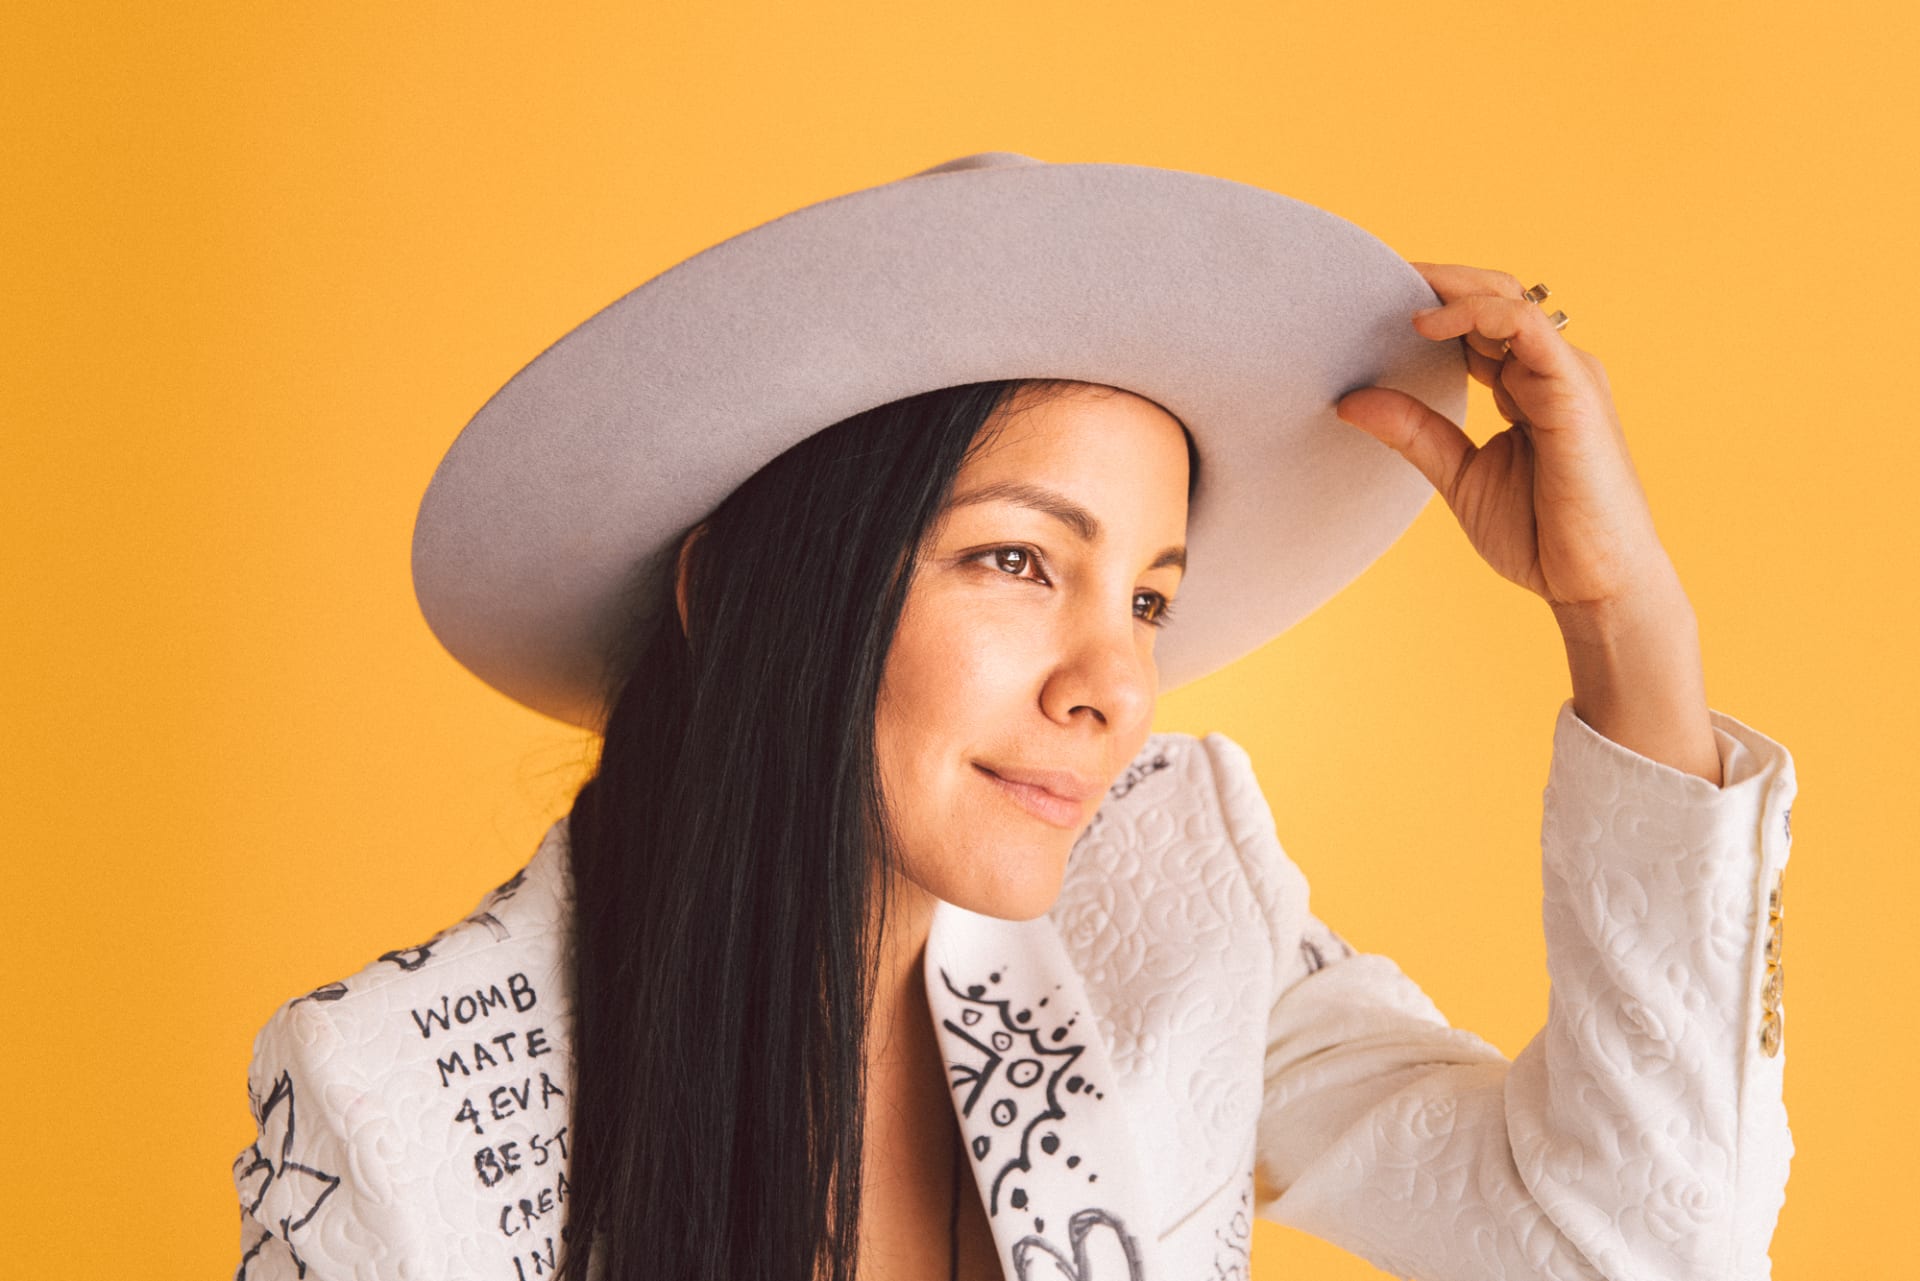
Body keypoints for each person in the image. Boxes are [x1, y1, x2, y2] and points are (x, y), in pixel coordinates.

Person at [230, 153, 1798, 1281]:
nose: (1109, 683)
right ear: (743, 595)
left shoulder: (1175, 912)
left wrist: (1620, 618)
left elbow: (1644, 1243)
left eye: (1149, 599)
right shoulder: (395, 1100)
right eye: (1016, 559)